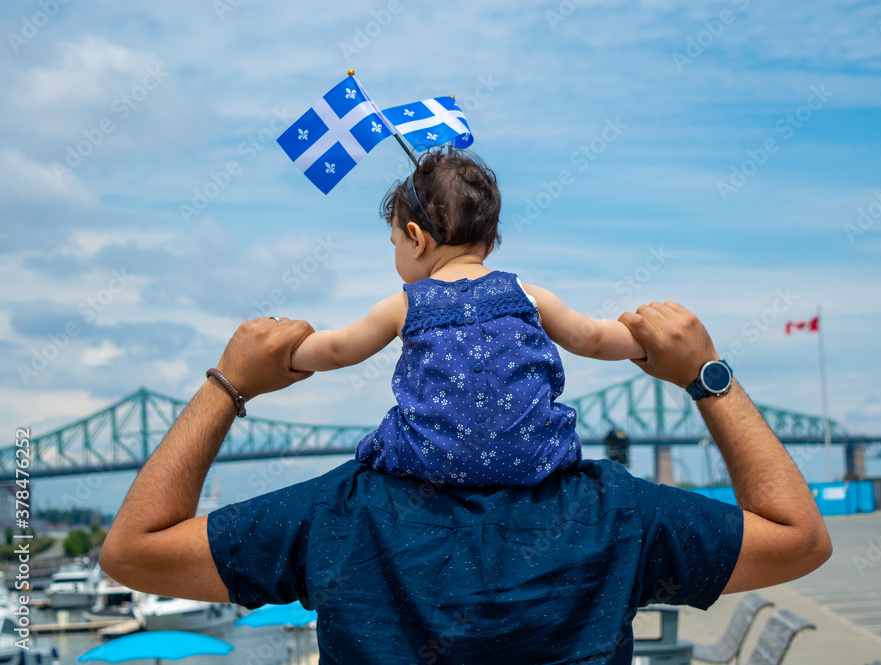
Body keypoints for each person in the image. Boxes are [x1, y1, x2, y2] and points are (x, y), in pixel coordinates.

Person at [100, 301, 832, 664]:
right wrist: (708, 377)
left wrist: (229, 385)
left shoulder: (337, 510)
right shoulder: (618, 511)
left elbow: (133, 551)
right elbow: (799, 538)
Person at [289, 148, 645, 487]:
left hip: (428, 462)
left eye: (394, 241)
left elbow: (337, 350)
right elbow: (592, 338)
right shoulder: (529, 296)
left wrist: (289, 353)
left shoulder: (404, 305)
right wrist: (644, 342)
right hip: (535, 458)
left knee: (379, 446)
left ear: (415, 239)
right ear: (490, 244)